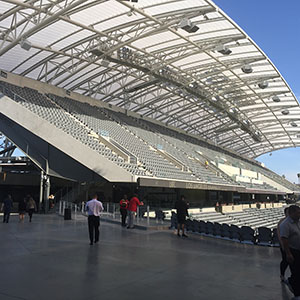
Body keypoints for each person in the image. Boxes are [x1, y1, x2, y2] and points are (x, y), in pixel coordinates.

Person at [280, 205, 300, 299]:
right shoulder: (285, 224)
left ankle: (292, 281)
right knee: (296, 272)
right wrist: (288, 253)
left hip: (299, 250)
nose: (299, 214)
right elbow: (284, 239)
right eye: (298, 212)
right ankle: (297, 294)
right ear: (291, 213)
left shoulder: (297, 222)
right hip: (293, 251)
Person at [277, 206, 289, 282]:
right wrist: (283, 246)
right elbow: (280, 235)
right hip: (285, 245)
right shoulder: (282, 222)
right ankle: (282, 274)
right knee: (285, 261)